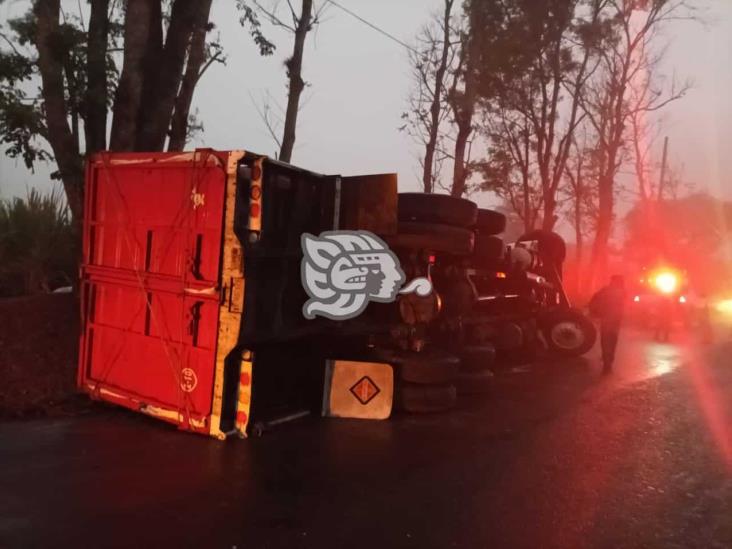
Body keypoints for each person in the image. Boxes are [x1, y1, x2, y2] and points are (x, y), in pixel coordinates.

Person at [589, 275, 626, 374]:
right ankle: (609, 360)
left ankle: (606, 360)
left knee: (605, 340)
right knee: (613, 340)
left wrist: (595, 312)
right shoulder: (622, 292)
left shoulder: (605, 290)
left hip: (606, 319)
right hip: (616, 321)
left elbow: (594, 299)